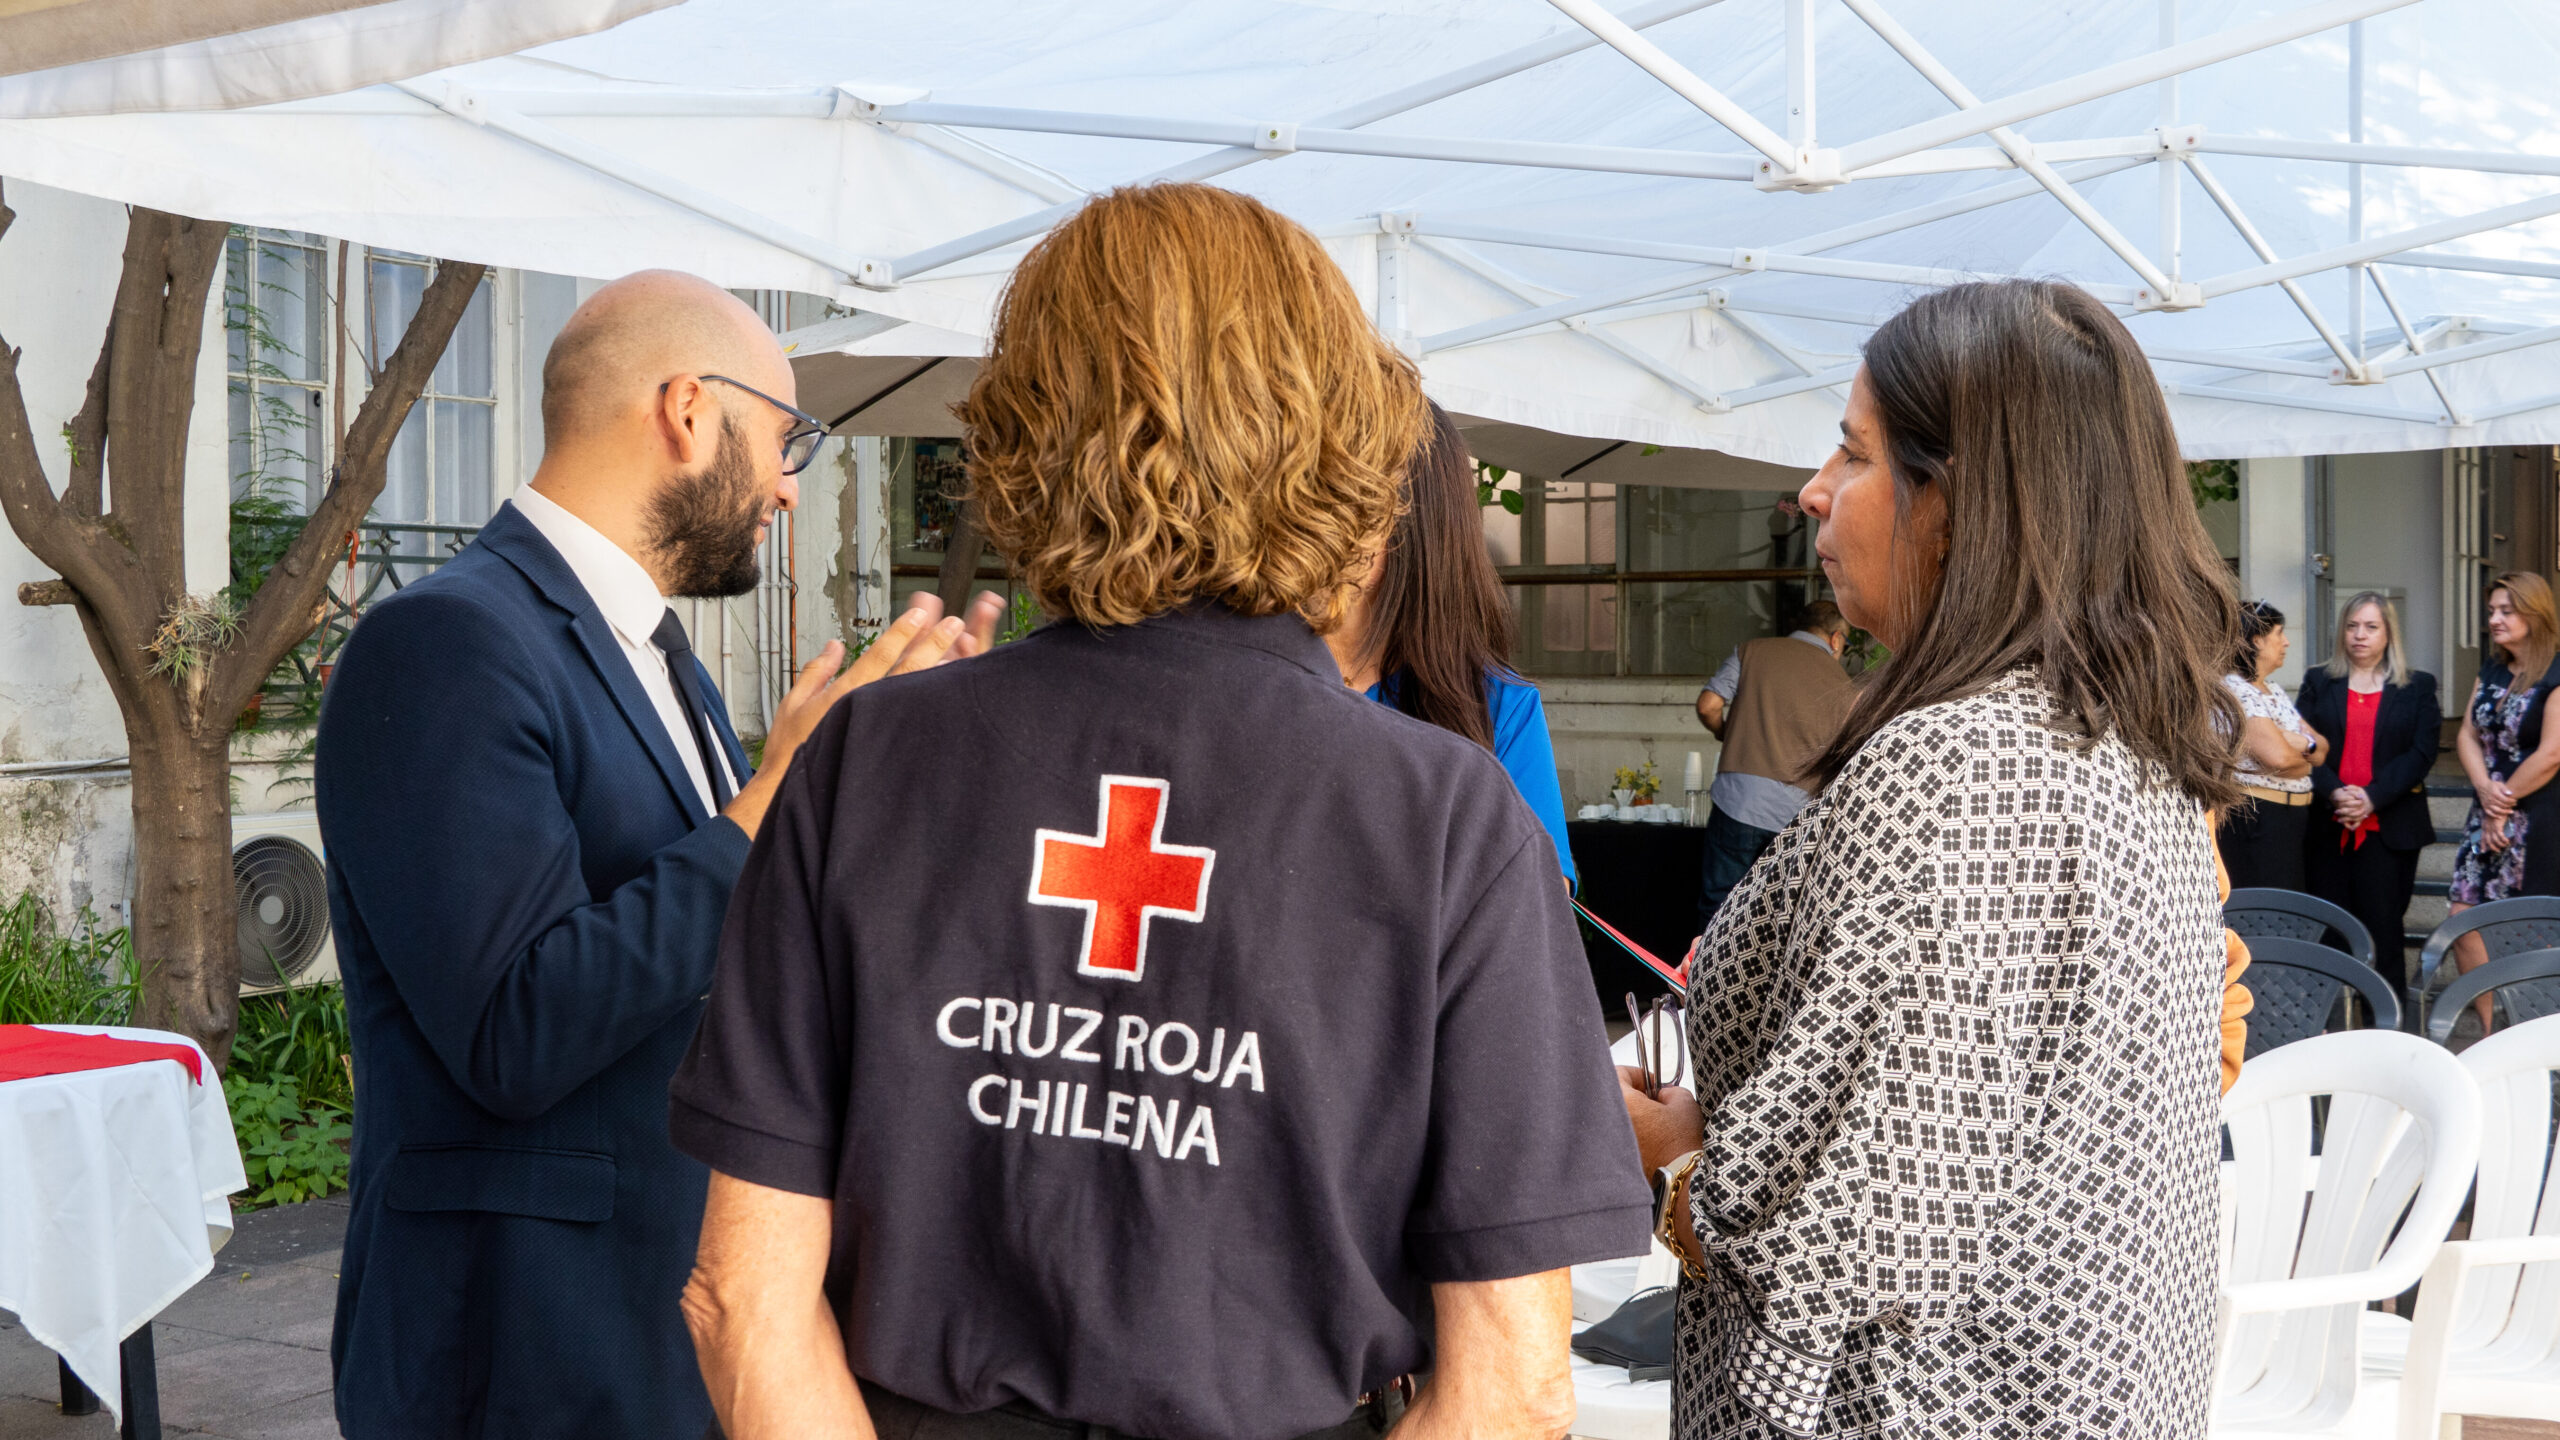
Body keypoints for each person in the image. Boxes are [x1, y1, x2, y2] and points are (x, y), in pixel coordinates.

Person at [669, 184, 1649, 1440]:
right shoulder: (1447, 818)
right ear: (1335, 437)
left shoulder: (863, 764)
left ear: (1020, 425)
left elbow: (742, 1302)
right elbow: (1513, 1392)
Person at [315, 270, 1002, 1439]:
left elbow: (710, 949)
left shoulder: (663, 655)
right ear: (688, 409)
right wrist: (775, 801)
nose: (788, 486)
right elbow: (514, 1030)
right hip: (519, 1352)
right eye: (786, 439)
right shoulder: (443, 642)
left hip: (657, 1324)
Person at [1617, 279, 2240, 1439]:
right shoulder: (2116, 739)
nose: (1813, 490)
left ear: (1956, 503)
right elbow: (1973, 1125)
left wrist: (1676, 1162)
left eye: (1853, 454)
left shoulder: (1957, 766)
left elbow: (1865, 1236)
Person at [1326, 400, 1575, 887]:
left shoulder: (1497, 705)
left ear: (1414, 525)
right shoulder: (1251, 678)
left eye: (1345, 494)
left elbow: (1539, 901)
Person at [2299, 592, 2441, 998]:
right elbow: (2301, 743)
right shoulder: (2318, 681)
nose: (2359, 635)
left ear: (2389, 633)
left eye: (2371, 627)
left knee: (2384, 933)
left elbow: (2421, 753)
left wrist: (2371, 798)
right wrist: (2335, 793)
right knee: (2330, 934)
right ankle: (2328, 1025)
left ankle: (2385, 1026)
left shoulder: (2417, 686)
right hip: (2329, 827)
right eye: (2352, 626)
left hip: (2388, 829)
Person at [1690, 600, 1854, 925]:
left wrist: (1725, 732)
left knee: (1720, 906)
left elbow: (1708, 705)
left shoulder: (1750, 650)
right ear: (1836, 639)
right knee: (1778, 916)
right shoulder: (1843, 684)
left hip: (1739, 801)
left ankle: (1709, 958)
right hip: (1797, 815)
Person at [2447, 571, 2560, 1030]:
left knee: (2534, 928)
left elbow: (2552, 753)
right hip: (2488, 809)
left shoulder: (2556, 673)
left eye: (2506, 611)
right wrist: (2485, 791)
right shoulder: (2491, 670)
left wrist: (2503, 803)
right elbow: (2466, 734)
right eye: (2492, 610)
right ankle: (2492, 1031)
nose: (2494, 619)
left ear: (2535, 614)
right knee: (2463, 920)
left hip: (2539, 818)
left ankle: (2536, 1035)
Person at [2216, 600, 2326, 891]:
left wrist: (2303, 745)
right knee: (2267, 904)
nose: (2286, 642)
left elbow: (2322, 748)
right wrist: (2304, 757)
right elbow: (2279, 758)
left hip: (2287, 820)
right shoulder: (2235, 690)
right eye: (2279, 633)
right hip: (2259, 819)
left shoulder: (2273, 689)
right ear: (2257, 640)